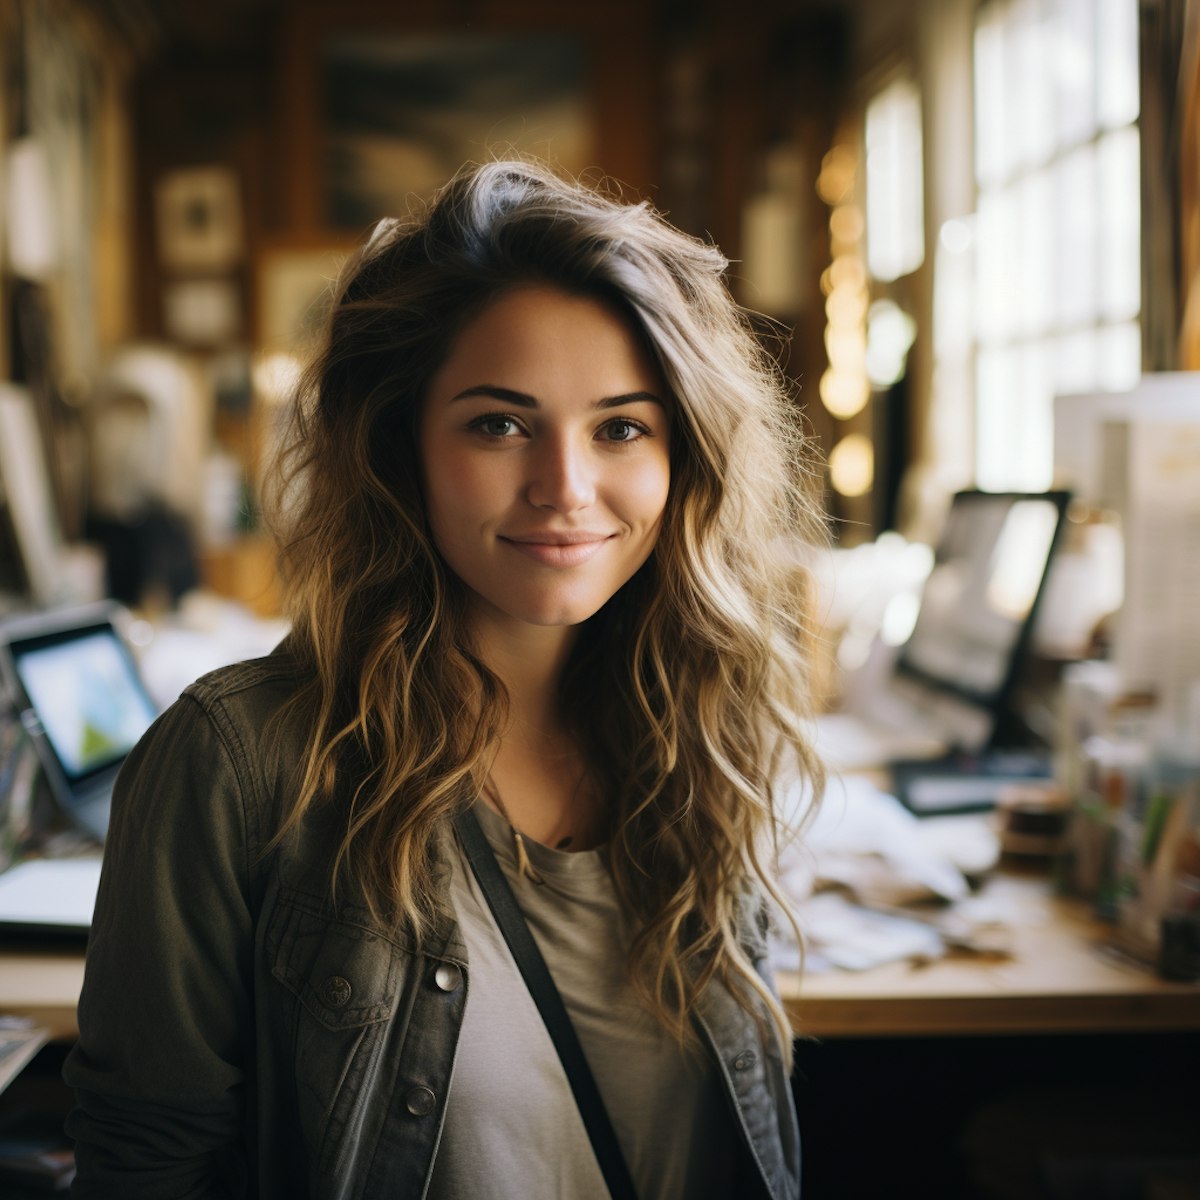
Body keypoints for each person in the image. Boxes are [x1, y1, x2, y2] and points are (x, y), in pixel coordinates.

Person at [64, 159, 825, 1199]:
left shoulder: (702, 733)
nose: (566, 487)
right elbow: (142, 1171)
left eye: (621, 427)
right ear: (400, 444)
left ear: (683, 455)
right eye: (498, 423)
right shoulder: (238, 765)